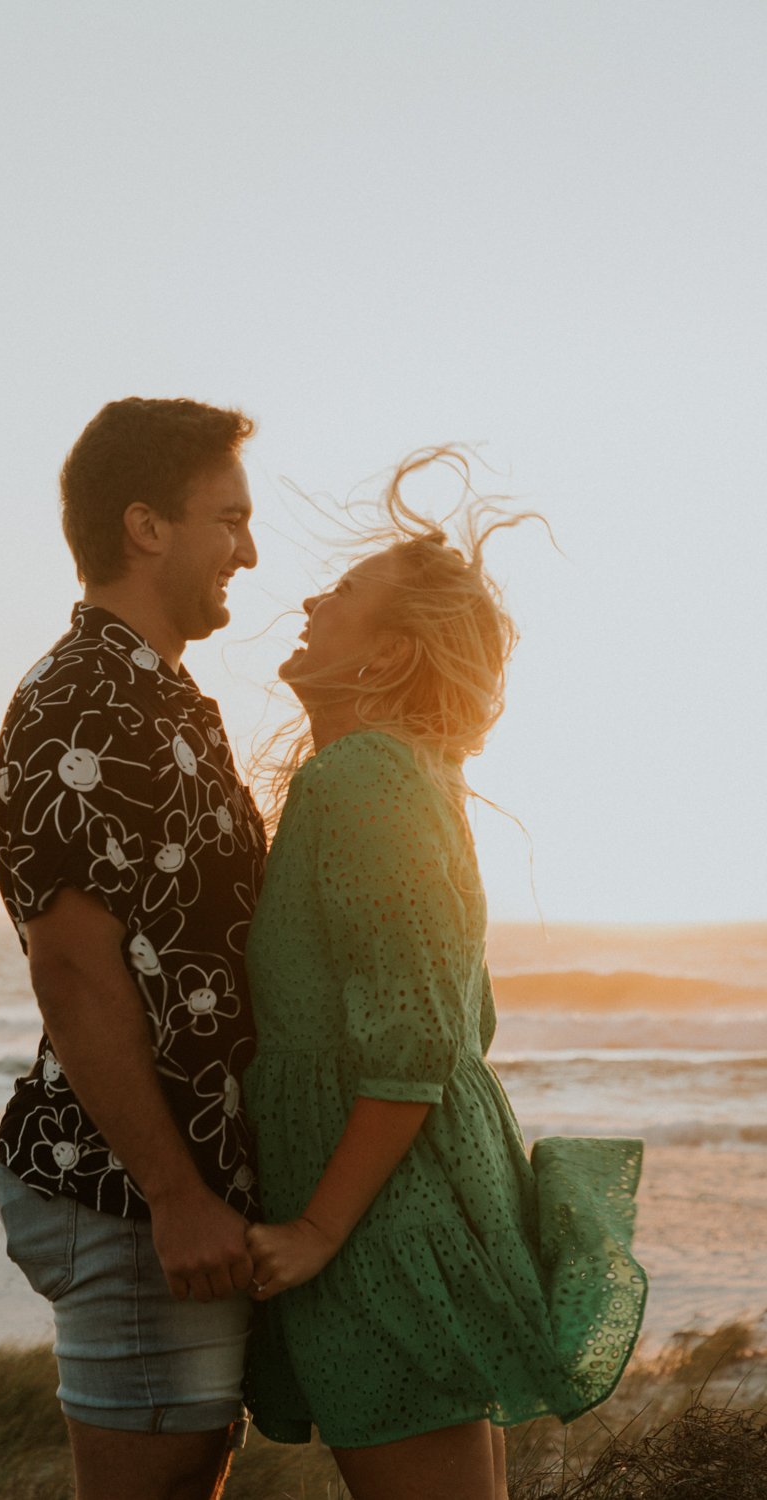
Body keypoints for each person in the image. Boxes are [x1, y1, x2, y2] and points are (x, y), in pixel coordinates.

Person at [241, 449, 647, 1500]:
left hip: (383, 1221)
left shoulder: (364, 778)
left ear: (386, 659)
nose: (310, 598)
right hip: (407, 1199)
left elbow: (414, 1043)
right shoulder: (396, 776)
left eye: (344, 595)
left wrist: (318, 1229)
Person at [0, 397, 267, 1500]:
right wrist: (176, 1194)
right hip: (125, 1195)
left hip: (168, 1190)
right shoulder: (87, 703)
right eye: (229, 518)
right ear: (147, 528)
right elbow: (73, 973)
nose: (248, 549)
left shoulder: (156, 692)